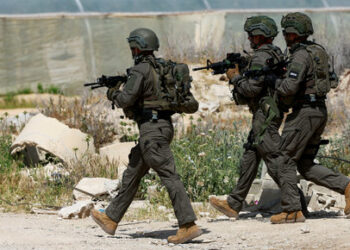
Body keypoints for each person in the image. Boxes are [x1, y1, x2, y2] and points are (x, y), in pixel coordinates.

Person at [90, 28, 203, 244]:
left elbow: (125, 100)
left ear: (137, 47)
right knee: (133, 172)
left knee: (170, 176)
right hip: (160, 128)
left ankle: (188, 225)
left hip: (152, 131)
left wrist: (113, 92)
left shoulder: (140, 70)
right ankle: (111, 218)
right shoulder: (162, 69)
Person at [270, 12, 350, 223]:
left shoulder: (300, 55)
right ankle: (347, 186)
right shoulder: (317, 51)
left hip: (304, 113)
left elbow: (288, 87)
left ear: (294, 34)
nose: (285, 36)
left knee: (285, 159)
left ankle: (292, 210)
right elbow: (330, 80)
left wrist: (273, 82)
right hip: (318, 111)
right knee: (305, 165)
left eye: (286, 32)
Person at [209, 16, 287, 219]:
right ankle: (234, 203)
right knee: (250, 156)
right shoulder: (270, 53)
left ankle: (295, 204)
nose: (249, 39)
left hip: (265, 113)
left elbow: (252, 89)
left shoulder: (262, 56)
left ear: (260, 35)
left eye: (251, 35)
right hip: (266, 111)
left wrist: (234, 77)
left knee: (273, 159)